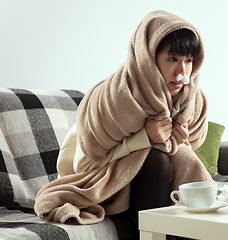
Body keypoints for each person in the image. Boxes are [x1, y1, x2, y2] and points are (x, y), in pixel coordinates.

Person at [35, 10, 213, 232]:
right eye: (172, 59)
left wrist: (180, 141)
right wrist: (144, 138)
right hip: (95, 175)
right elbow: (85, 163)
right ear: (148, 57)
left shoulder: (191, 100)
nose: (182, 72)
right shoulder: (117, 97)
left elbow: (184, 153)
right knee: (156, 158)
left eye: (188, 61)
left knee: (180, 156)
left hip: (141, 184)